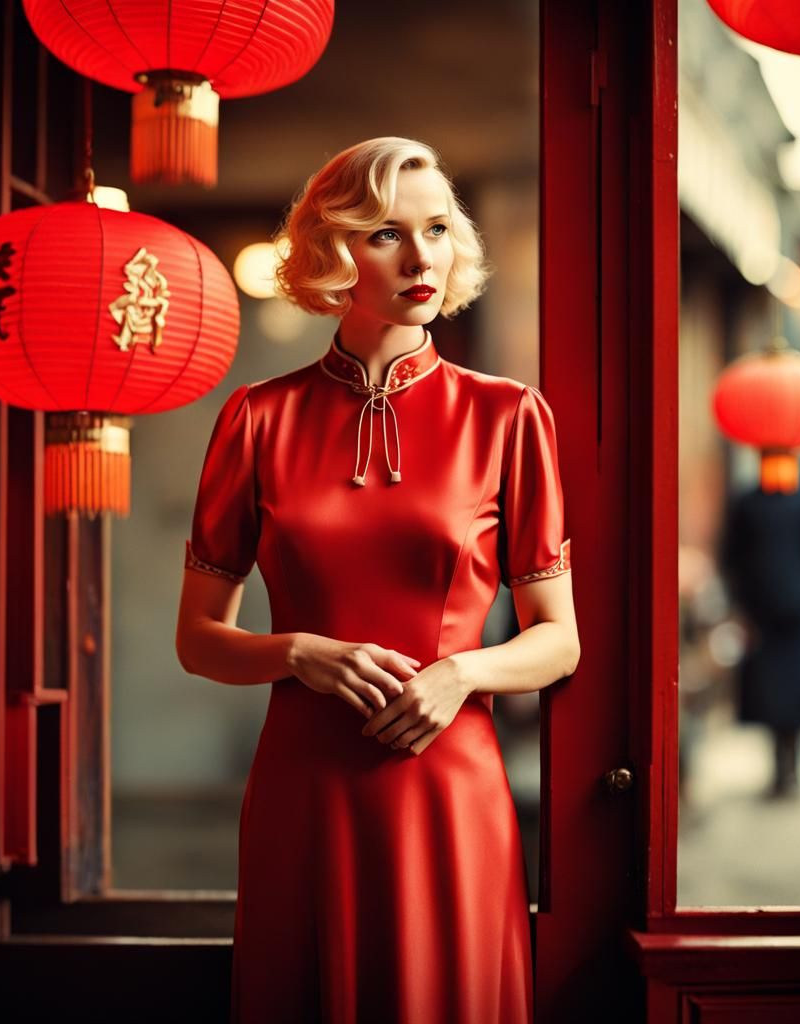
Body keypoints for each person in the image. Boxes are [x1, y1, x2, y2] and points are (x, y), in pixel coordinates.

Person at [175, 136, 580, 1024]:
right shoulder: (258, 418)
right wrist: (299, 652)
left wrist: (462, 671)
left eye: (436, 229)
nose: (421, 255)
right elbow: (198, 639)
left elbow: (560, 638)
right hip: (304, 789)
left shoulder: (507, 415)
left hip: (449, 785)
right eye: (387, 234)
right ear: (334, 250)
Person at [718, 480, 800, 798]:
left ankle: (792, 767)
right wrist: (741, 603)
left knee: (798, 696)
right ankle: (781, 769)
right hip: (762, 616)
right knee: (771, 698)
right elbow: (731, 554)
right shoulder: (746, 503)